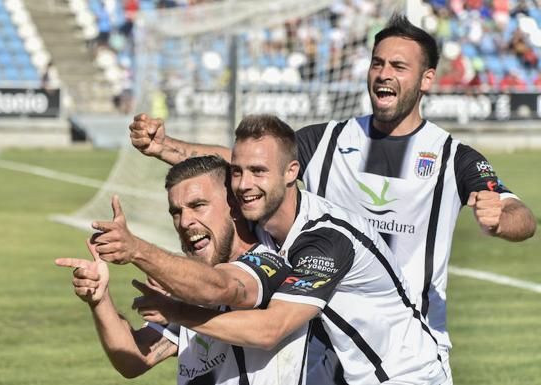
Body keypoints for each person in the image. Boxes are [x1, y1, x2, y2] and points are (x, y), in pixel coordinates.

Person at [127, 14, 537, 381]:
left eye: (398, 66)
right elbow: (251, 164)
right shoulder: (328, 139)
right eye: (377, 63)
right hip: (320, 334)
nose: (383, 74)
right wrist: (168, 148)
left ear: (427, 79)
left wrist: (501, 217)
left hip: (401, 345)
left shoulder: (452, 156)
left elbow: (521, 216)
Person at [132, 114, 447, 384]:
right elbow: (222, 169)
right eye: (238, 172)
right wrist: (165, 147)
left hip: (404, 375)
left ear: (291, 172)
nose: (243, 184)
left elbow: (270, 329)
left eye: (258, 172)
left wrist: (176, 311)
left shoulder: (325, 239)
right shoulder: (263, 214)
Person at [55, 155, 308, 385]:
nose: (185, 222)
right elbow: (134, 360)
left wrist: (136, 250)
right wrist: (99, 300)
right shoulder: (189, 285)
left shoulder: (269, 262)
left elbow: (222, 288)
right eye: (176, 212)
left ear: (234, 206)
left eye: (198, 205)